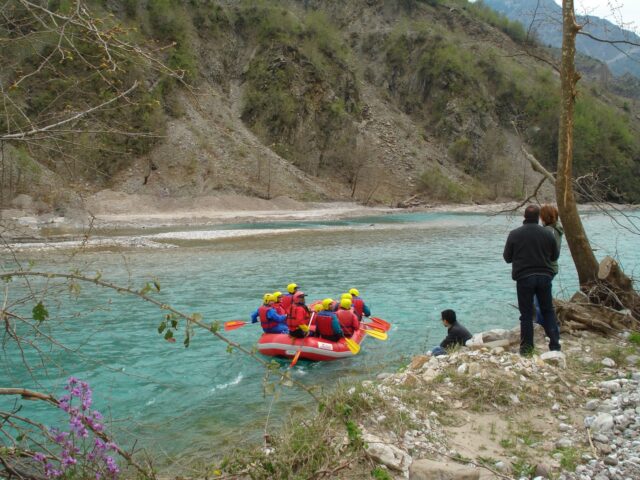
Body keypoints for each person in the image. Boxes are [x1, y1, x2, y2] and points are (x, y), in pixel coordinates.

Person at [503, 204, 561, 356]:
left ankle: (527, 348)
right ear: (538, 217)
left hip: (524, 277)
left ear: (524, 217)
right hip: (545, 276)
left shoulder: (514, 234)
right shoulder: (547, 233)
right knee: (548, 310)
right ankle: (555, 345)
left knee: (526, 314)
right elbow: (555, 256)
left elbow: (507, 258)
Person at [534, 204, 564, 325]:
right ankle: (547, 325)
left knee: (539, 300)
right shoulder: (557, 229)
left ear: (544, 217)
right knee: (542, 298)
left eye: (541, 216)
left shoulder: (548, 231)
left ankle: (544, 326)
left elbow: (546, 251)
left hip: (546, 268)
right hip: (551, 267)